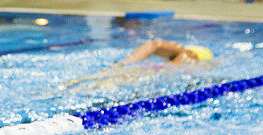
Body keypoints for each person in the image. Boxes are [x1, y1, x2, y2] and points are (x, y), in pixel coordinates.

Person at [63, 39, 213, 91]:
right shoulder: (186, 54)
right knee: (90, 87)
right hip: (144, 73)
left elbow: (154, 44)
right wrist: (124, 64)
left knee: (80, 85)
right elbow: (155, 44)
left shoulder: (181, 58)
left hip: (142, 71)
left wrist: (123, 64)